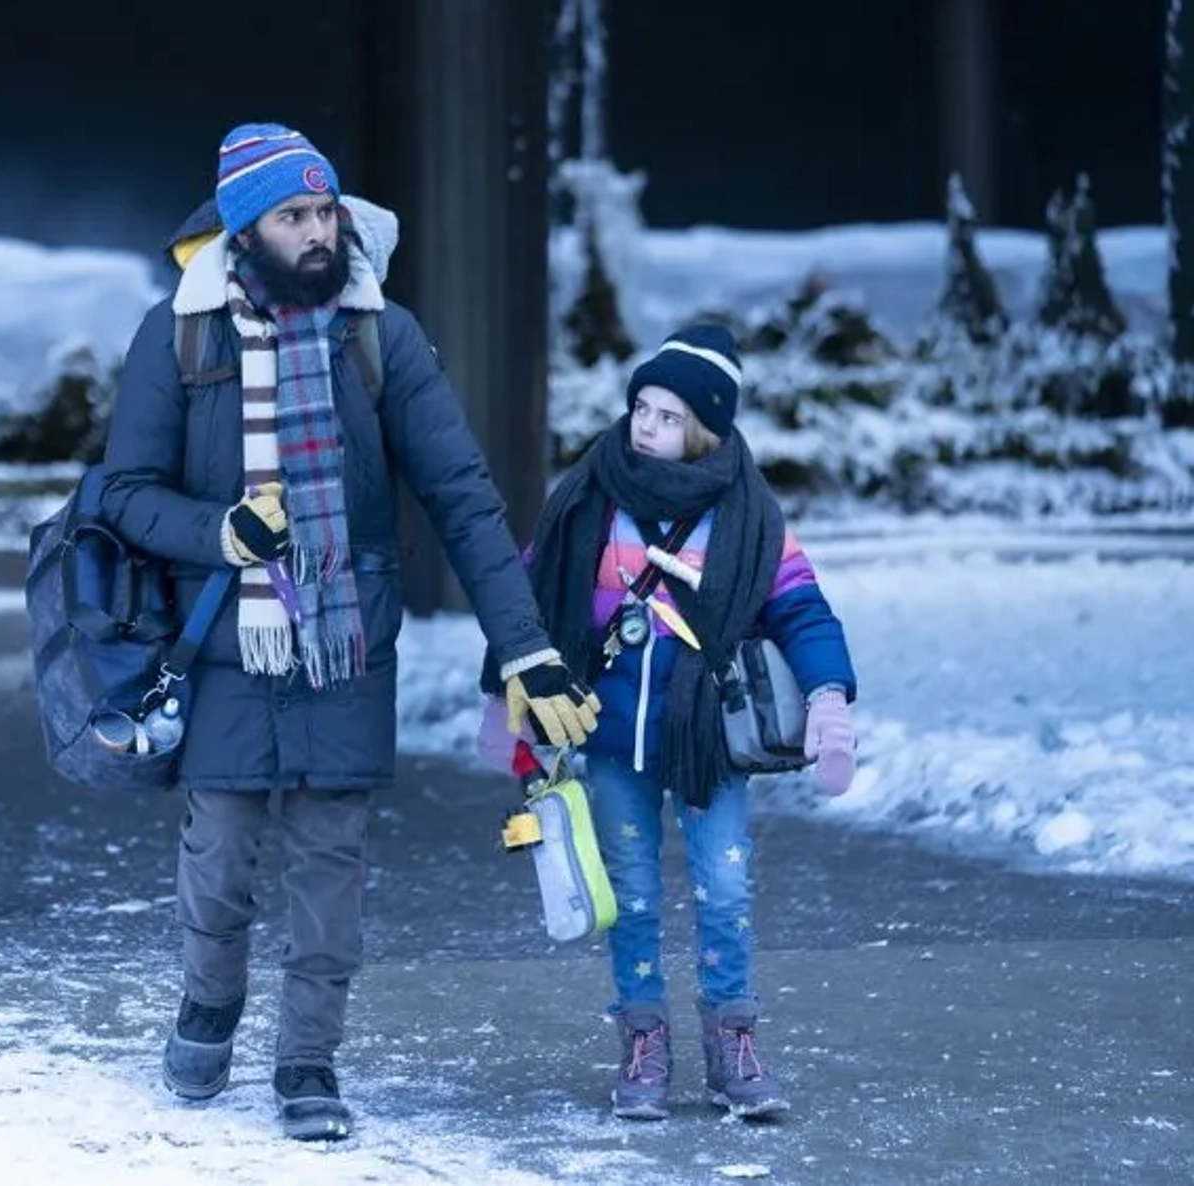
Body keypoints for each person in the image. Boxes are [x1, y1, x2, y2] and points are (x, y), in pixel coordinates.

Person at [97, 122, 602, 1141]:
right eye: (295, 216)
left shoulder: (380, 333)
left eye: (327, 211)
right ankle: (208, 1003)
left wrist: (526, 644)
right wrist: (220, 530)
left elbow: (462, 494)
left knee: (331, 864)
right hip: (225, 644)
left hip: (346, 643)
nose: (319, 233)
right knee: (222, 852)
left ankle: (308, 1062)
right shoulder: (180, 336)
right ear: (248, 229)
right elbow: (122, 496)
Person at [481, 323, 859, 1122]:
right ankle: (643, 1041)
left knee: (725, 889)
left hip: (707, 744)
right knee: (634, 898)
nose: (645, 426)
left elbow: (801, 608)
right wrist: (504, 703)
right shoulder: (589, 496)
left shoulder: (749, 517)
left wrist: (828, 698)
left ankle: (733, 1044)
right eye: (641, 407)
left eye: (667, 415)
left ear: (705, 430)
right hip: (611, 737)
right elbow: (529, 599)